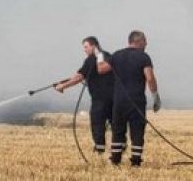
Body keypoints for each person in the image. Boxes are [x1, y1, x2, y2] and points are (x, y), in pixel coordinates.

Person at [98, 30, 160, 166]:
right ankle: (136, 161)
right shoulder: (144, 57)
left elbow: (101, 69)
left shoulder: (117, 55)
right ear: (139, 41)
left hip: (119, 100)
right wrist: (156, 98)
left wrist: (99, 55)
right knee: (137, 131)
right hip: (137, 100)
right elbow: (150, 78)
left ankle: (115, 160)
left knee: (118, 130)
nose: (146, 44)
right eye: (145, 41)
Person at [55, 36, 115, 156]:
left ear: (94, 46)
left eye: (86, 47)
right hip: (114, 98)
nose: (84, 50)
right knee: (116, 125)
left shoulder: (91, 59)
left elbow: (79, 77)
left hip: (99, 99)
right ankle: (118, 150)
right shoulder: (109, 56)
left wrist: (62, 86)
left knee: (97, 124)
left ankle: (99, 151)